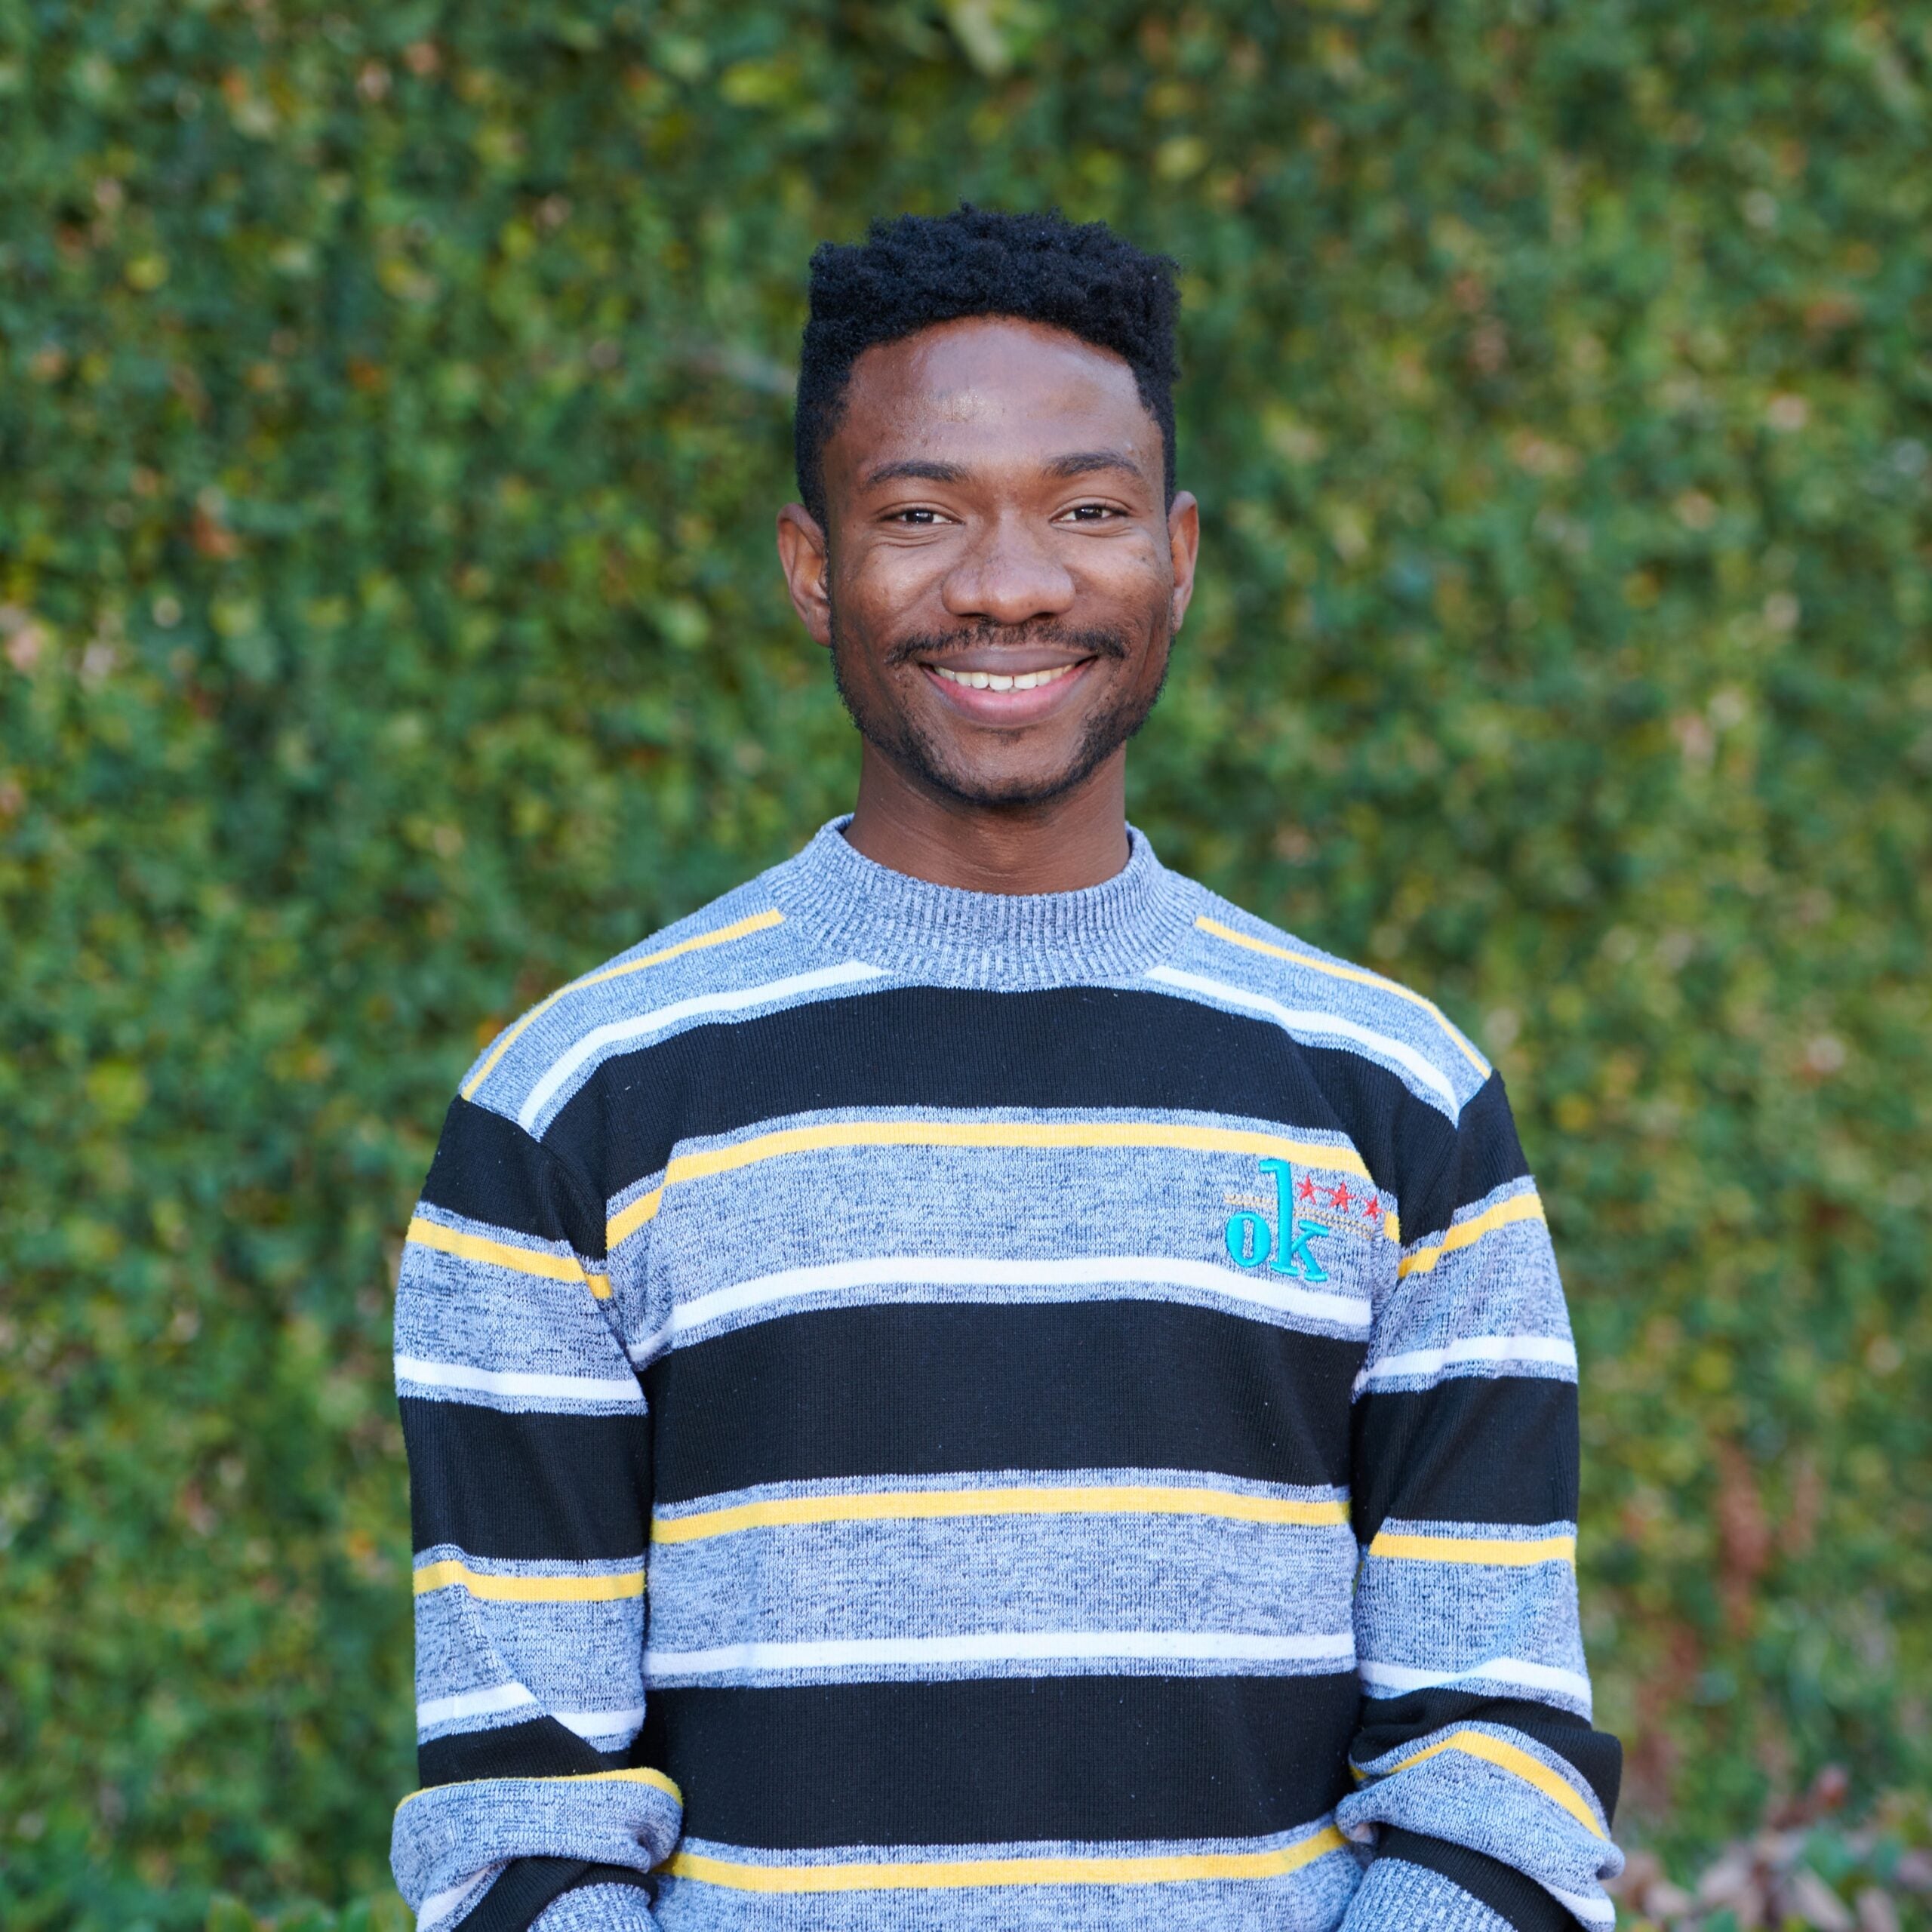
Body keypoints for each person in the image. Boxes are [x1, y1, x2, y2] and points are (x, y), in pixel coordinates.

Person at [389, 207, 1623, 1932]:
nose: (1009, 581)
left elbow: (1495, 1749)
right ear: (812, 566)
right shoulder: (576, 1104)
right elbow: (517, 1807)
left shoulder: (1391, 1094)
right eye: (918, 514)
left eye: (1087, 509)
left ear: (1175, 556)